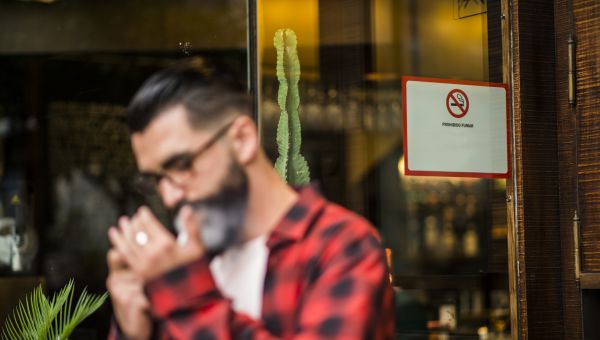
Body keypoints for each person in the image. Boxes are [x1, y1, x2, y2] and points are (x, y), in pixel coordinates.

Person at [106, 59, 395, 339]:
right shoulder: (185, 256)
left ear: (242, 140)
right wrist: (135, 332)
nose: (169, 196)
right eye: (156, 180)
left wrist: (186, 294)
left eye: (182, 165)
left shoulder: (342, 246)